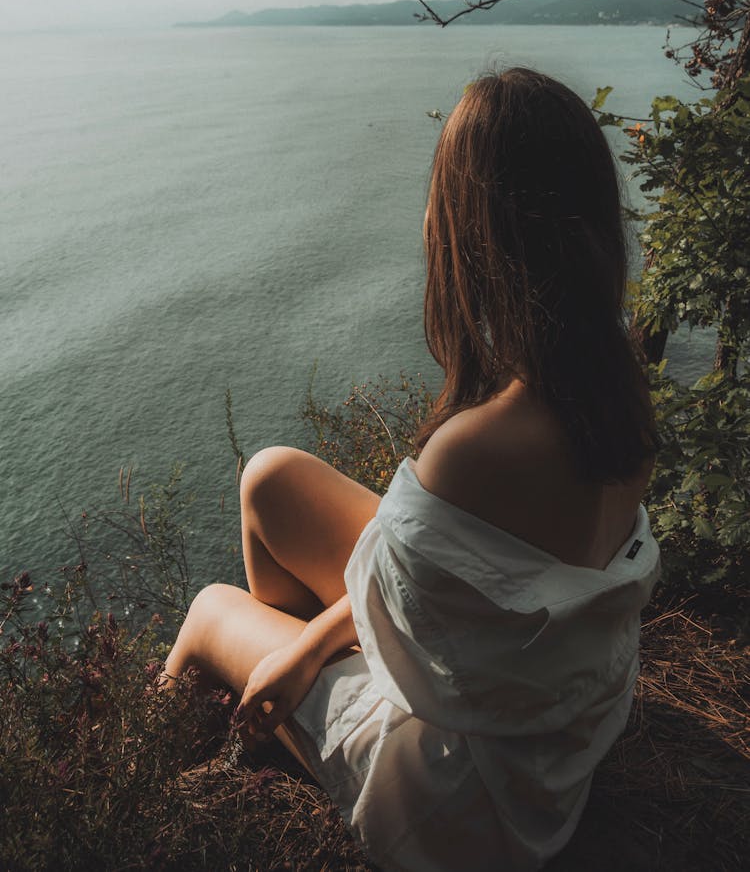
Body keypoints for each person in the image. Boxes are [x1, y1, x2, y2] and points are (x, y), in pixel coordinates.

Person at [163, 68, 661, 871]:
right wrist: (310, 647)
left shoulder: (475, 450)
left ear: (480, 232)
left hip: (457, 801)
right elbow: (418, 590)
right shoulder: (620, 390)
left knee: (209, 609)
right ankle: (280, 728)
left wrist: (297, 655)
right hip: (534, 707)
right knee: (270, 478)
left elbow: (400, 611)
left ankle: (155, 797)